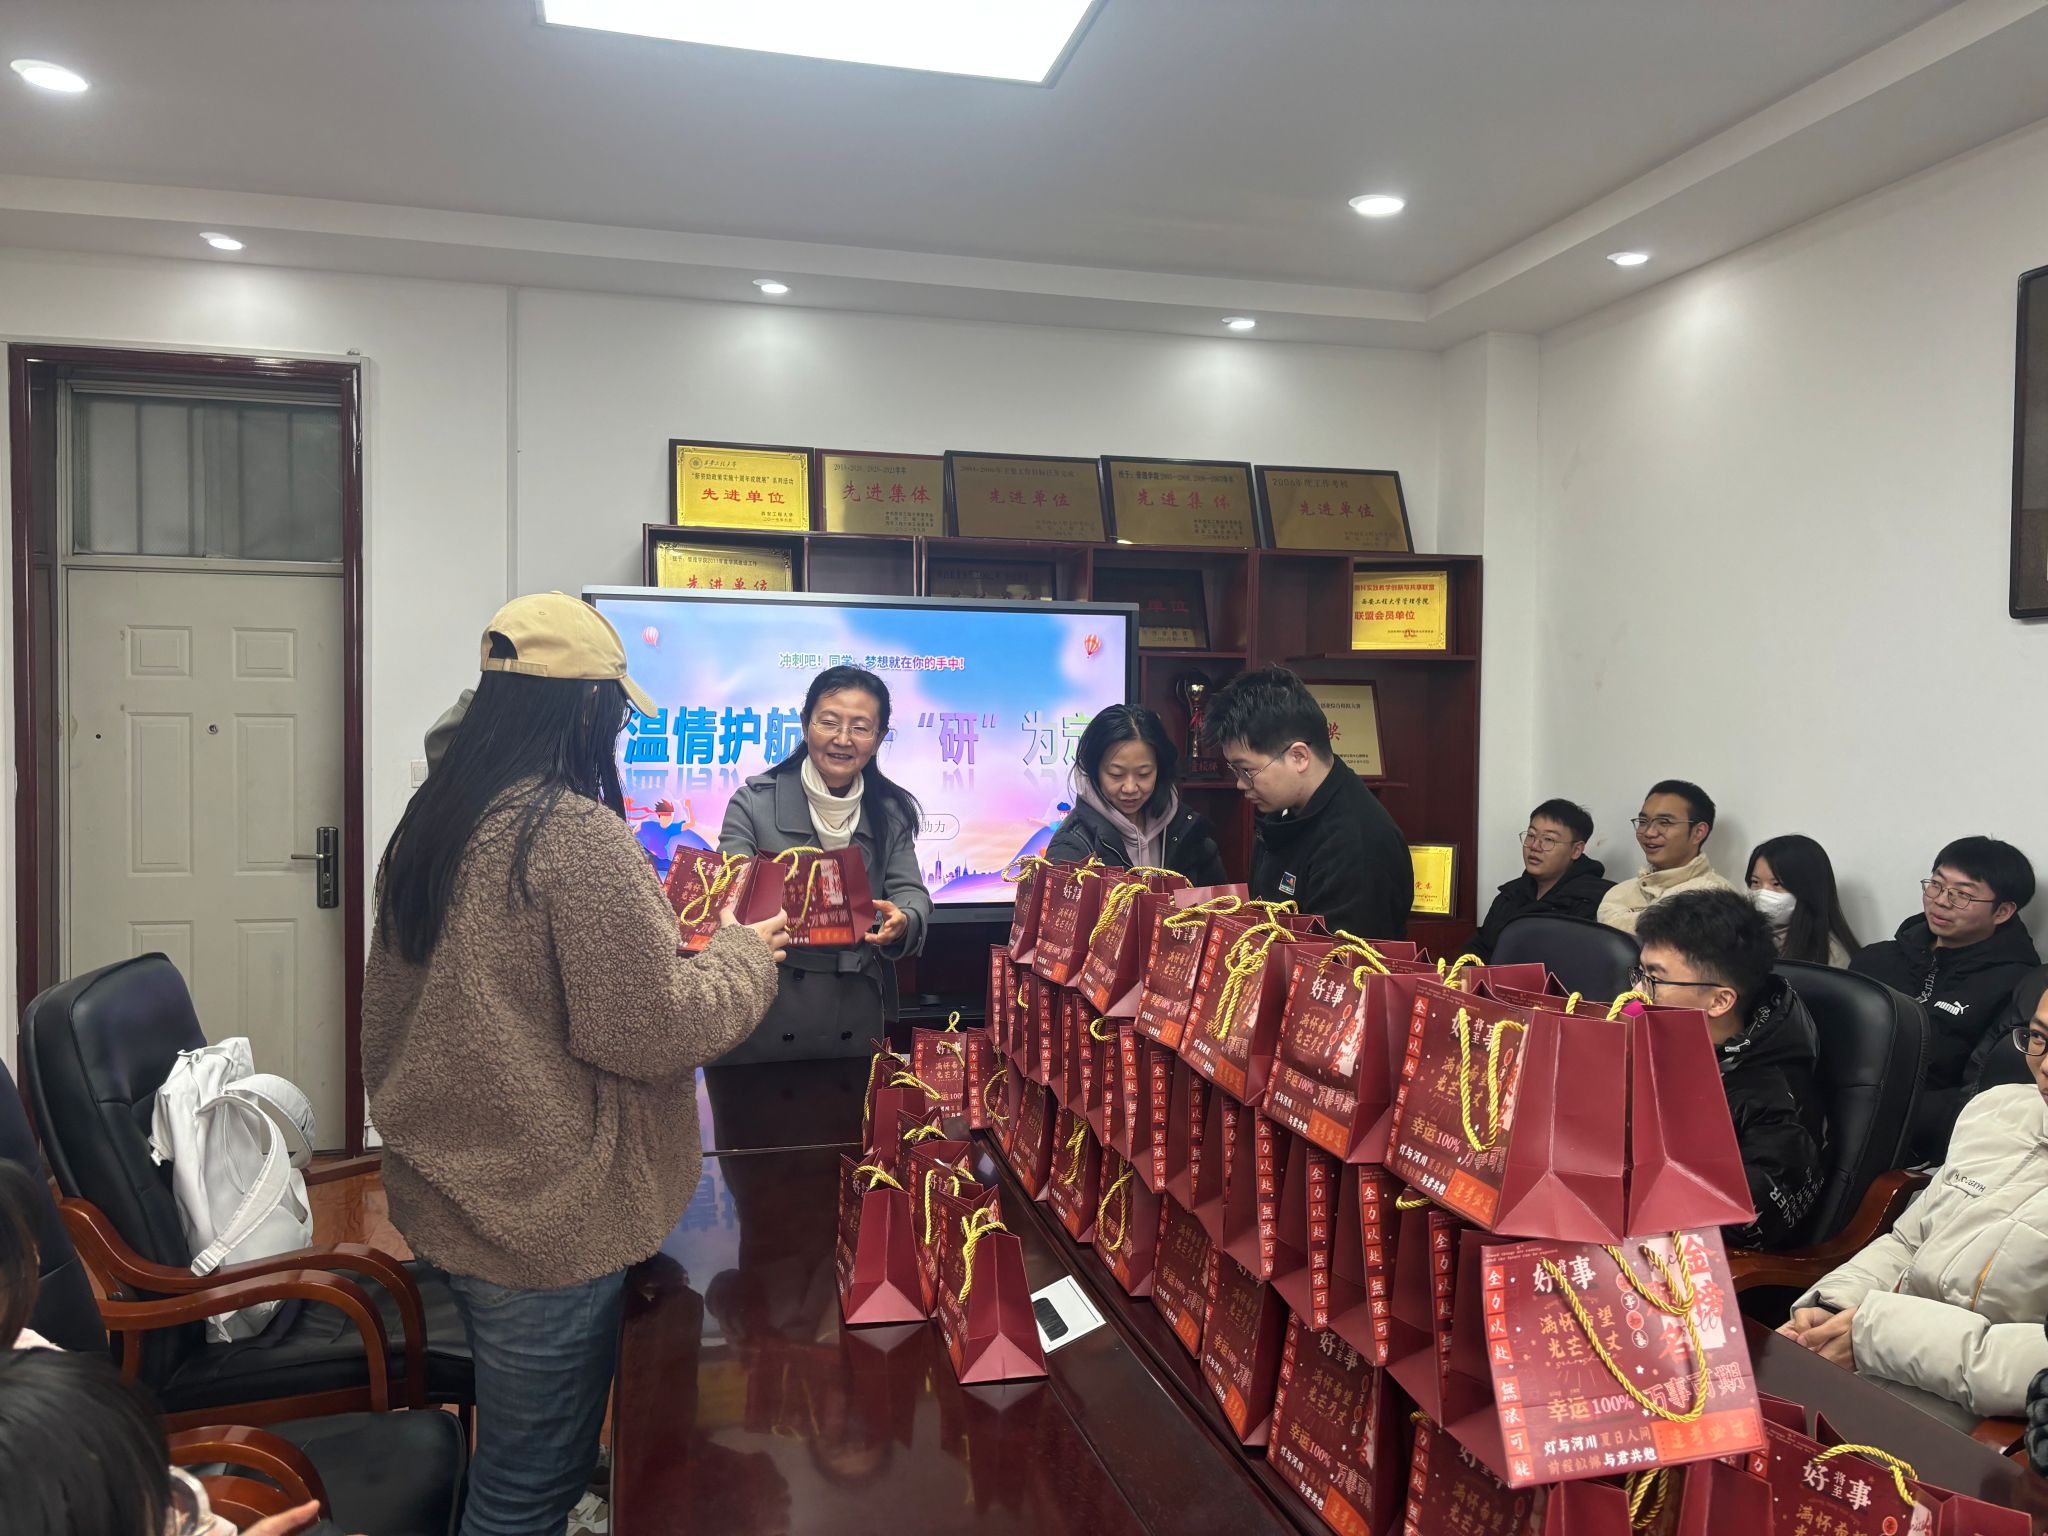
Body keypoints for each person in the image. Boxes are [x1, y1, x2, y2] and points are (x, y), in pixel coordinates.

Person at [365, 592, 785, 1536]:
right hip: (542, 1222)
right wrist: (745, 955)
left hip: (455, 1189)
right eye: (617, 713)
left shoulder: (437, 818)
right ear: (587, 708)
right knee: (526, 1491)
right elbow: (651, 1029)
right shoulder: (570, 835)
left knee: (525, 1459)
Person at [1779, 967, 2048, 1423]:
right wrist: (1833, 1308)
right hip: (1870, 1348)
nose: (2044, 1066)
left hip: (1980, 1415)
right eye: (2039, 1037)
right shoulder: (1999, 1109)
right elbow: (1910, 1241)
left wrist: (1877, 1336)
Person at [720, 664, 934, 1062]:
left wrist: (904, 918)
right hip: (767, 1004)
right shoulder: (753, 804)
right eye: (829, 722)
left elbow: (910, 890)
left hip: (853, 1007)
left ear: (879, 738)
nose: (842, 739)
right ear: (805, 725)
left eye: (860, 727)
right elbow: (730, 893)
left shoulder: (890, 812)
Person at [1632, 891, 1823, 1251]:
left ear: (1719, 1000)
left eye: (1655, 979)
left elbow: (1745, 1219)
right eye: (1640, 973)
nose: (1638, 992)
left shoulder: (1772, 1099)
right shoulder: (1659, 1040)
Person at [1850, 836, 2039, 1165]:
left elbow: (1983, 1092)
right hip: (1836, 1109)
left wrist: (1884, 1111)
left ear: (2003, 911)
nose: (1940, 901)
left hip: (1918, 1143)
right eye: (1936, 885)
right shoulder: (1876, 959)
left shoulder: (2019, 986)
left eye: (1962, 895)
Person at [1200, 665, 1411, 939]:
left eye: (1247, 770)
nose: (1240, 784)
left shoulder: (1357, 845)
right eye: (1235, 770)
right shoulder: (1285, 809)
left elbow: (1340, 958)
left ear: (1299, 757)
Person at [1045, 704, 1228, 884]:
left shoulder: (1187, 829)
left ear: (1160, 770)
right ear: (1094, 771)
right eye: (1116, 774)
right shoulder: (1072, 845)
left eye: (1144, 774)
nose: (1130, 788)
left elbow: (1220, 900)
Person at [1468, 799, 1612, 960]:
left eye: (1549, 839)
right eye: (1531, 835)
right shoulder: (1510, 895)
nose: (1535, 846)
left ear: (1576, 850)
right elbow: (1480, 948)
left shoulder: (1597, 901)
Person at [1596, 779, 1738, 935]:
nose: (1649, 832)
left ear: (1698, 832)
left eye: (1664, 822)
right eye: (1643, 821)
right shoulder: (1619, 894)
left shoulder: (1719, 899)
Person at [1746, 835, 1860, 968]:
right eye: (1755, 882)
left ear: (1807, 889)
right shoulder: (1745, 935)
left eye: (1776, 884)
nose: (1762, 892)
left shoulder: (1830, 956)